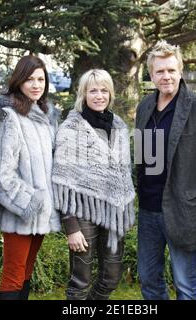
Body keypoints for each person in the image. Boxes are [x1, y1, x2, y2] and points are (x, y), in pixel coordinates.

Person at [135, 40, 196, 300]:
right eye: (160, 71)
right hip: (148, 209)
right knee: (148, 279)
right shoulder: (144, 106)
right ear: (151, 74)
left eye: (171, 70)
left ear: (180, 71)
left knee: (185, 284)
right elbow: (142, 158)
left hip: (185, 210)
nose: (166, 76)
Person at [52, 69, 135, 300]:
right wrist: (71, 227)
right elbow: (62, 180)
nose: (99, 96)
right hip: (82, 214)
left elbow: (122, 172)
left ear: (110, 94)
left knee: (111, 277)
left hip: (113, 213)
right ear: (83, 94)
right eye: (93, 90)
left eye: (104, 90)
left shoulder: (118, 126)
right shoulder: (70, 129)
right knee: (80, 280)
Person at [0, 55, 61, 300]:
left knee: (26, 273)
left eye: (41, 79)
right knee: (13, 275)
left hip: (40, 212)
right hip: (20, 211)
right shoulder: (9, 117)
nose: (36, 84)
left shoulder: (45, 117)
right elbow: (2, 173)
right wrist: (30, 203)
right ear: (19, 81)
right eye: (30, 79)